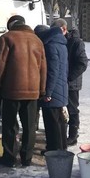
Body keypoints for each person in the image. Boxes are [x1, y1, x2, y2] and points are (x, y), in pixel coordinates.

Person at [0, 15, 47, 168]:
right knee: (29, 127)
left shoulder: (7, 38)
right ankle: (26, 158)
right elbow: (43, 68)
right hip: (33, 92)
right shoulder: (37, 41)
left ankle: (9, 158)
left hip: (12, 91)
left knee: (9, 126)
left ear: (11, 26)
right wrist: (42, 89)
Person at [35, 20, 69, 153]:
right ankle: (61, 148)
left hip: (53, 90)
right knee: (59, 121)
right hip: (61, 88)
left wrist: (47, 92)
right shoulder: (60, 44)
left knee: (52, 123)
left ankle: (54, 150)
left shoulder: (49, 46)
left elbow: (52, 71)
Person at [64, 27, 88, 146]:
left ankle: (73, 135)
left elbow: (82, 63)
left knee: (72, 109)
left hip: (72, 83)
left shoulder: (76, 42)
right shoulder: (66, 41)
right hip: (66, 82)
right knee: (65, 109)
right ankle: (65, 134)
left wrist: (69, 77)